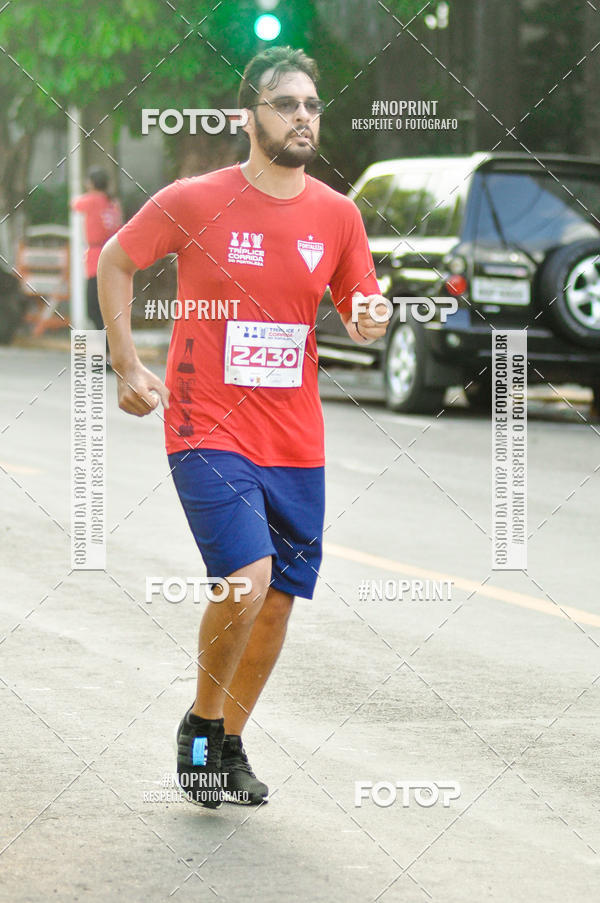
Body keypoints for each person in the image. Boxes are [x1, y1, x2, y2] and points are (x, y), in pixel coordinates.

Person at [97, 46, 390, 809]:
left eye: (312, 106)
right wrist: (127, 365)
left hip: (296, 437)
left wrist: (371, 315)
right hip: (205, 426)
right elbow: (114, 260)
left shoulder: (337, 213)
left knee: (281, 598)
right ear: (248, 116)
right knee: (246, 580)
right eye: (285, 103)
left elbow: (363, 304)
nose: (302, 117)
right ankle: (199, 727)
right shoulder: (196, 200)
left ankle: (227, 743)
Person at [71, 167, 122, 330]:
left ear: (91, 183)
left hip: (96, 257)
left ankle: (104, 349)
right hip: (113, 255)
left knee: (93, 308)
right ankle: (107, 349)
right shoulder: (112, 203)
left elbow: (74, 204)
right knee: (105, 307)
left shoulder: (92, 200)